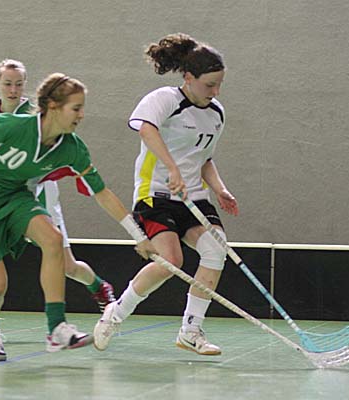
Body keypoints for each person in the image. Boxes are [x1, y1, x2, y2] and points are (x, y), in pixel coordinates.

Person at [0, 72, 156, 360]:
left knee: (53, 239)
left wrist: (138, 236)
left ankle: (56, 328)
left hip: (17, 198)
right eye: (76, 108)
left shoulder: (72, 148)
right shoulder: (11, 125)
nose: (82, 115)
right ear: (53, 106)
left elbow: (102, 193)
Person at [0, 60, 116, 340]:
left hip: (36, 194)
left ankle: (98, 287)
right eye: (7, 84)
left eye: (18, 84)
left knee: (64, 263)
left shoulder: (36, 114)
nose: (13, 90)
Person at [93, 33, 238, 355]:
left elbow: (204, 159)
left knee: (216, 251)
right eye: (209, 85)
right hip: (155, 194)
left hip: (194, 198)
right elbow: (146, 129)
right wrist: (172, 168)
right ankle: (115, 314)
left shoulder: (216, 113)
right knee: (171, 262)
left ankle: (191, 330)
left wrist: (220, 189)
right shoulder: (164, 99)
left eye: (219, 85)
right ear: (188, 77)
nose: (215, 92)